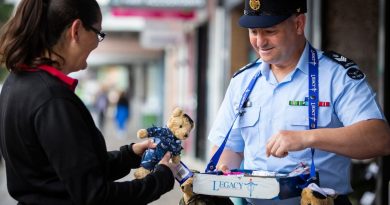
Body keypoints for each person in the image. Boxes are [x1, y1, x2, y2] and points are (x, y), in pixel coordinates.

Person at [207, 0, 390, 204]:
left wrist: (307, 138)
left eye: (269, 31)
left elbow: (380, 139)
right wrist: (222, 172)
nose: (260, 42)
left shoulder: (337, 75)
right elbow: (229, 148)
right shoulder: (242, 81)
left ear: (298, 24)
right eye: (253, 32)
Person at [0, 0, 177, 204]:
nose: (96, 42)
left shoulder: (16, 82)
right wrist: (162, 178)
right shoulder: (53, 100)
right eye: (98, 33)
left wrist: (131, 154)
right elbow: (95, 196)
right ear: (76, 30)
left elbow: (73, 170)